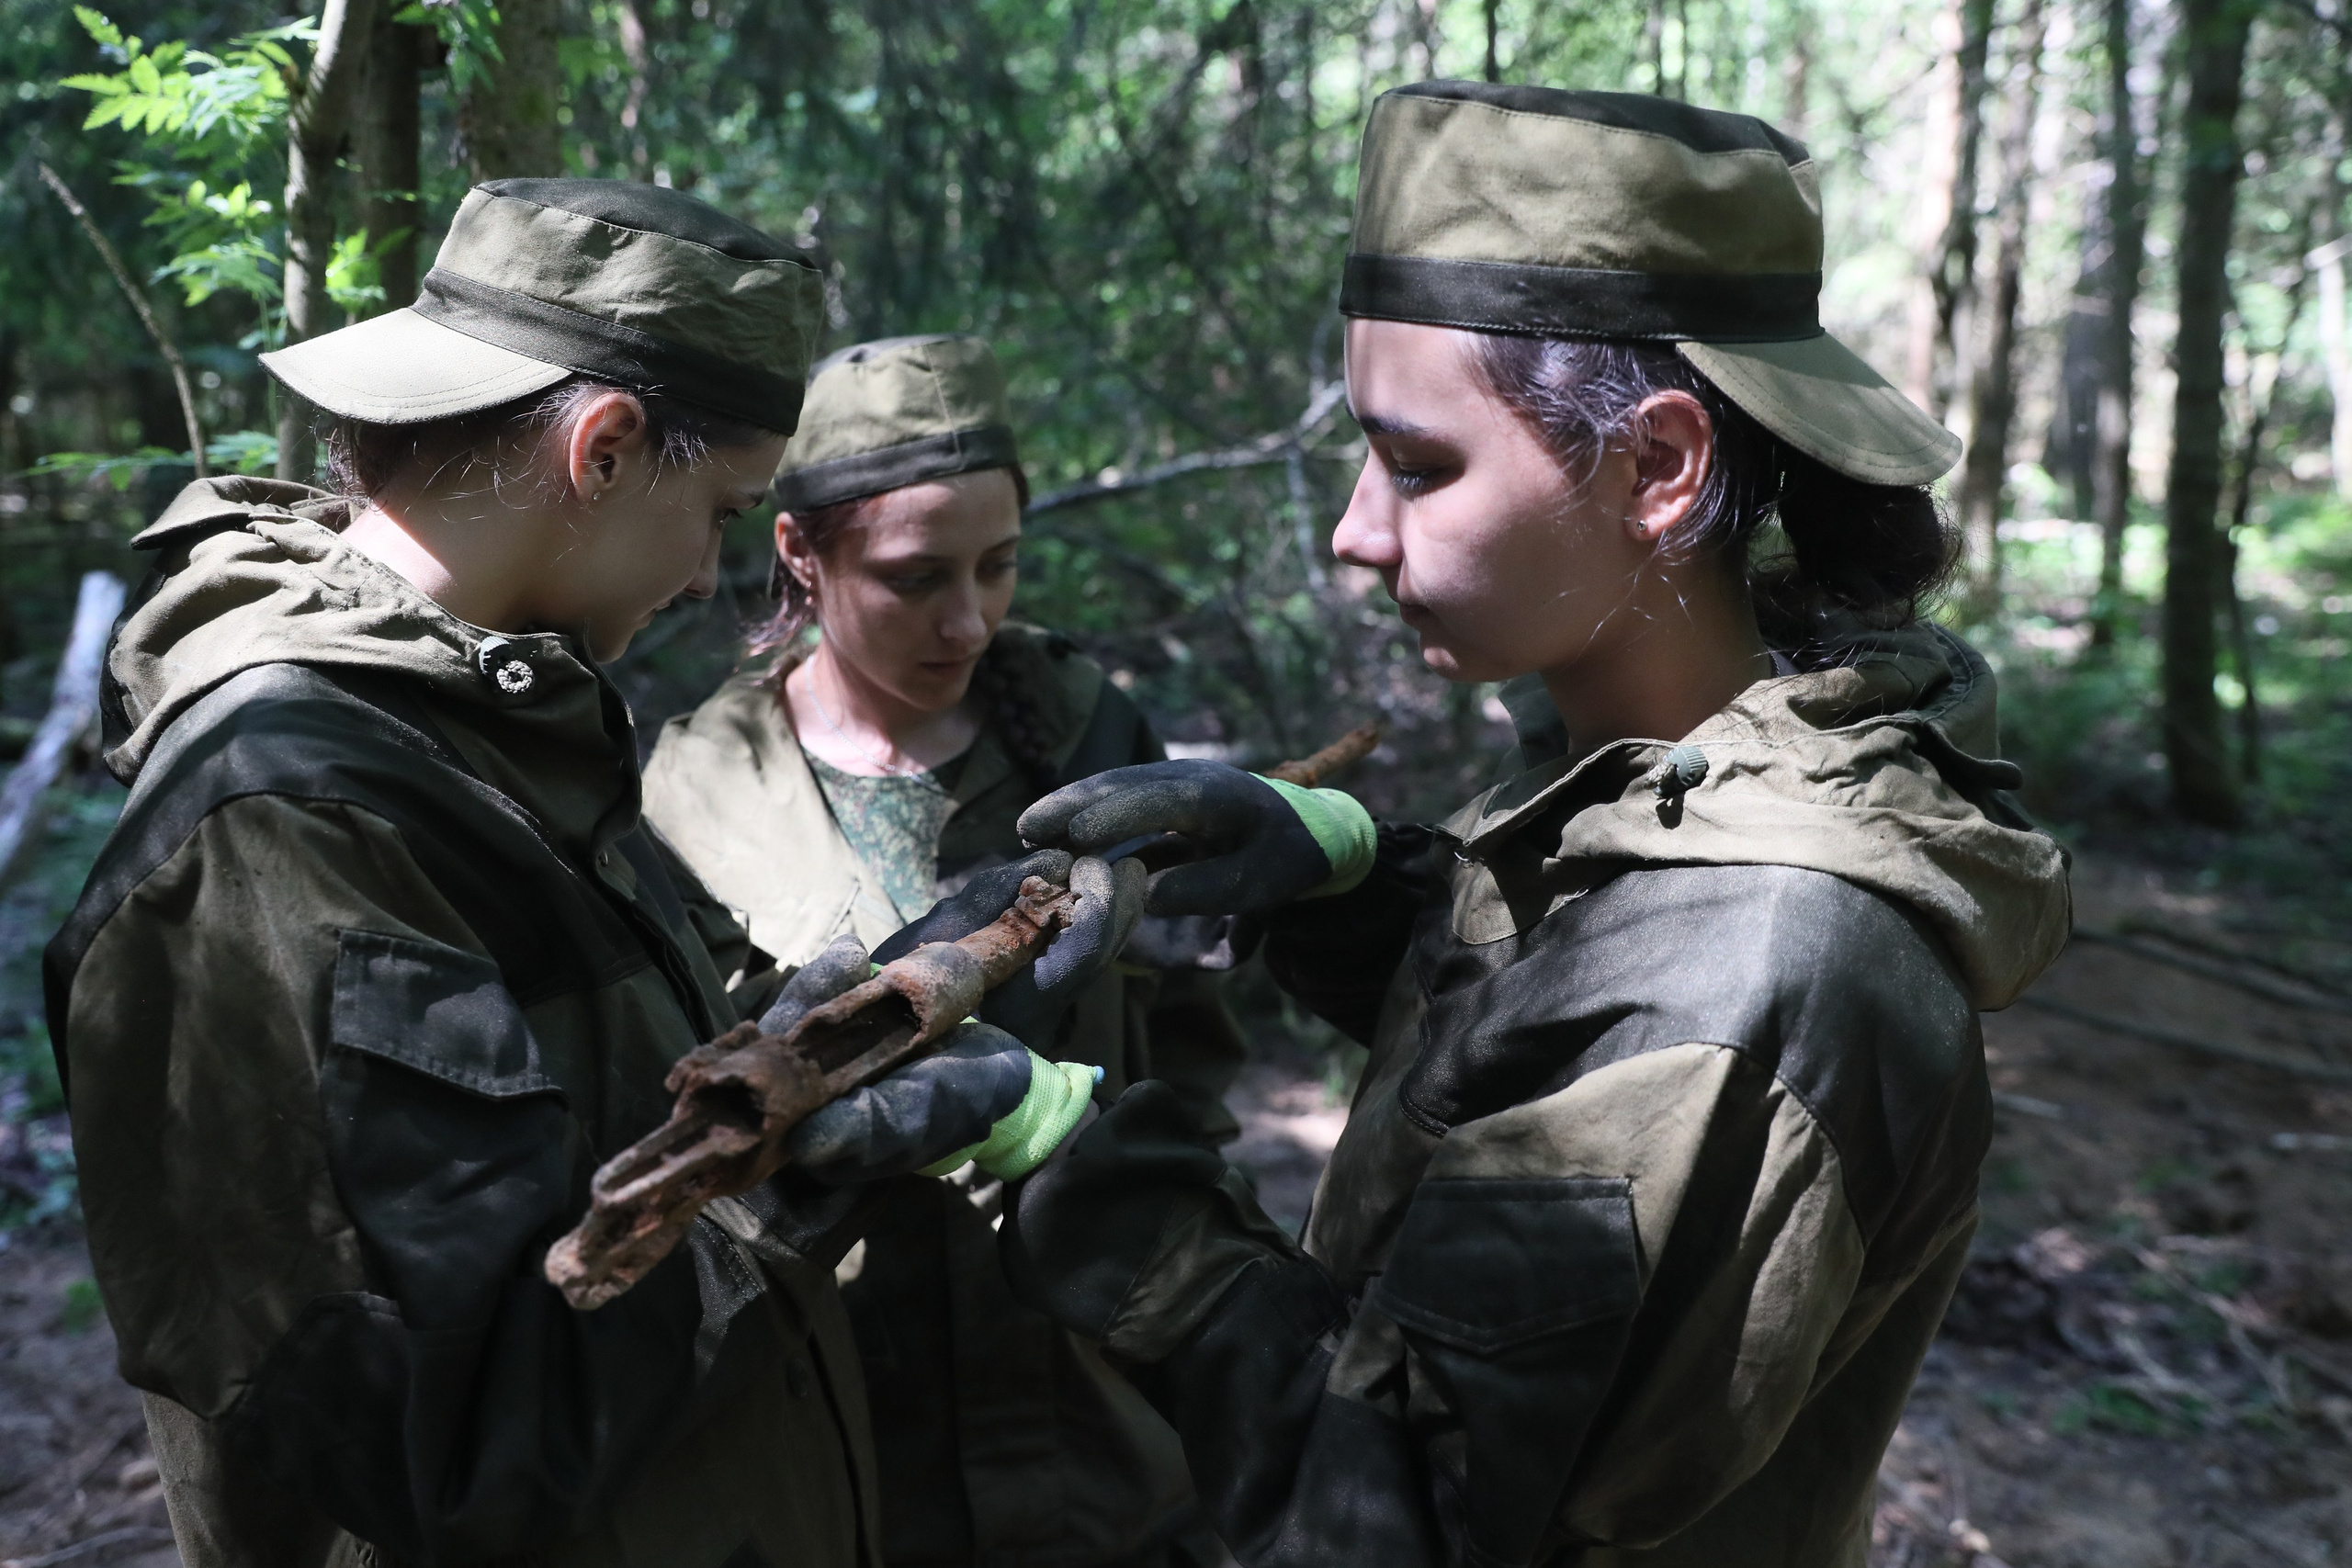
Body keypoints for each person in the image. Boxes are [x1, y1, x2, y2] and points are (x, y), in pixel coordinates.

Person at [998, 85, 2075, 1566]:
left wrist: (1066, 1160)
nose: (1356, 532)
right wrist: (1353, 881)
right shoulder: (1678, 767)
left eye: (1421, 466)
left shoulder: (1750, 971)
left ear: (1659, 465)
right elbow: (1568, 1015)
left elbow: (1400, 1518)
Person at [45, 181, 1121, 1568]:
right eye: (723, 515)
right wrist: (781, 1172)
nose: (701, 579)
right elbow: (457, 1441)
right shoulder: (286, 825)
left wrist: (859, 1023)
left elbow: (592, 1136)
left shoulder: (486, 743)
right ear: (605, 449)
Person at [641, 333, 1238, 1568]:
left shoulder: (1083, 733)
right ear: (798, 553)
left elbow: (1186, 1043)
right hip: (846, 1428)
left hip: (1100, 1419)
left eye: (1001, 566)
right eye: (917, 578)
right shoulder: (692, 794)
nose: (968, 621)